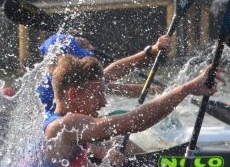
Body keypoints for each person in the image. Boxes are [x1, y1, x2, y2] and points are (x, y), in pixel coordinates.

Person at [9, 55, 215, 167]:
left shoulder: (70, 145)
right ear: (73, 94)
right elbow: (134, 122)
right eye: (98, 93)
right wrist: (186, 89)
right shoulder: (65, 125)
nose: (104, 102)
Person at [35, 32, 173, 111]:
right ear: (62, 60)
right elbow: (108, 75)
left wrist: (156, 90)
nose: (84, 61)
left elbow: (111, 81)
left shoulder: (67, 79)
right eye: (79, 57)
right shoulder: (52, 87)